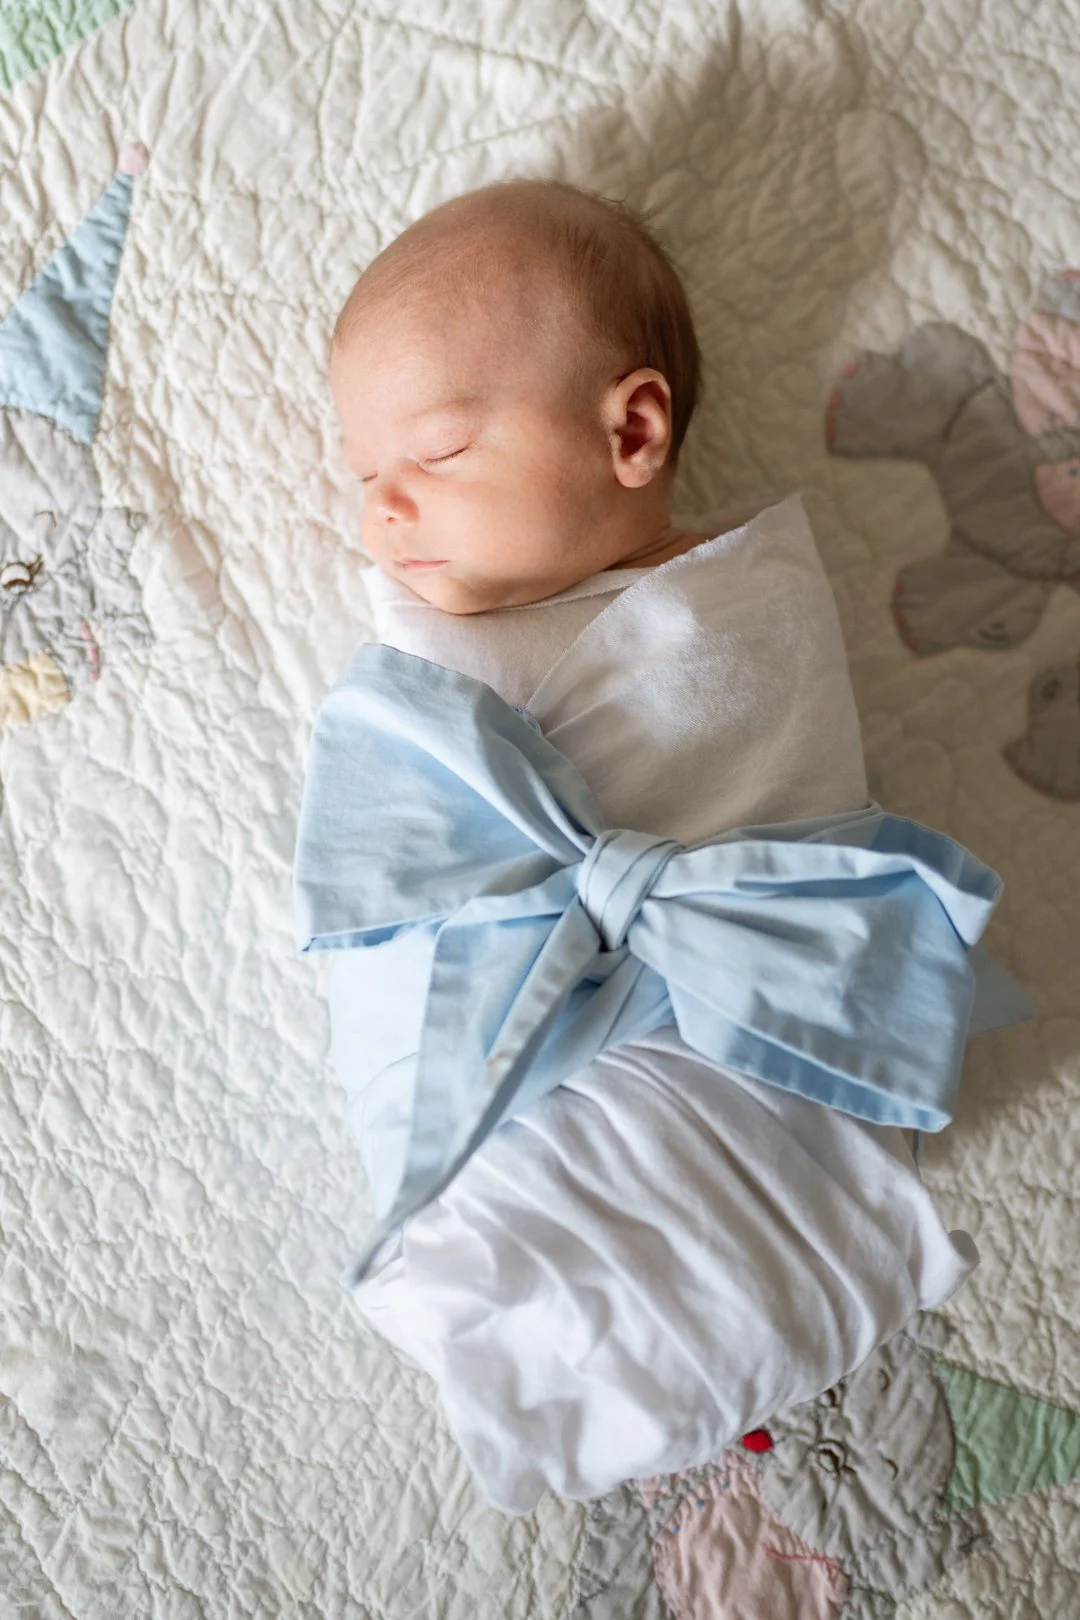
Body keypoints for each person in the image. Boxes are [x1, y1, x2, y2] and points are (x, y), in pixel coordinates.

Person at [302, 179, 985, 1513]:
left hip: (738, 1039)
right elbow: (394, 865)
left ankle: (764, 1264)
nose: (384, 513)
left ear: (632, 428)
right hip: (525, 1046)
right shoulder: (435, 665)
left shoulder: (748, 617)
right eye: (363, 477)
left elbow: (790, 810)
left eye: (433, 456)